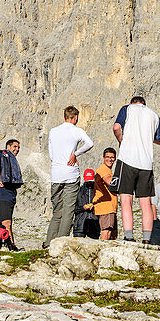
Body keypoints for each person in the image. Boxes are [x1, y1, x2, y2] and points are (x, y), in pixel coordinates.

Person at [112, 96, 160, 243]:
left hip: (127, 159)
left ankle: (129, 236)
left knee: (126, 199)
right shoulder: (153, 115)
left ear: (132, 102)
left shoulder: (127, 109)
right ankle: (146, 239)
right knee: (146, 203)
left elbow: (116, 127)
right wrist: (148, 138)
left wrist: (121, 140)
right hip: (146, 163)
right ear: (144, 104)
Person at [44, 105, 94, 246]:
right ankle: (60, 243)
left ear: (64, 116)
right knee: (68, 210)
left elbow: (51, 155)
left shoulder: (53, 131)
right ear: (75, 117)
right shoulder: (76, 131)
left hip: (56, 175)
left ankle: (49, 242)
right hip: (71, 174)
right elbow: (90, 143)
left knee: (57, 211)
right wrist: (75, 154)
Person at [0, 139, 22, 251]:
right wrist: (1, 178)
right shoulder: (1, 155)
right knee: (7, 222)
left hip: (7, 195)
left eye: (18, 148)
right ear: (8, 146)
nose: (17, 149)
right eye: (15, 147)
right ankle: (11, 246)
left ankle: (0, 245)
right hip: (1, 195)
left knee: (3, 222)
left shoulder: (10, 159)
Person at [93, 148, 119, 240]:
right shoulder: (104, 169)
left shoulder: (106, 169)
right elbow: (110, 182)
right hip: (106, 206)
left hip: (108, 206)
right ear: (103, 158)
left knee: (110, 232)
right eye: (107, 157)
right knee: (106, 231)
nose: (110, 159)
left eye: (112, 157)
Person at [72, 168, 100, 239]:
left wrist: (95, 207)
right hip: (80, 225)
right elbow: (73, 208)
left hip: (94, 224)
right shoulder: (78, 191)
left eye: (90, 181)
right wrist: (83, 208)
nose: (89, 183)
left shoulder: (98, 191)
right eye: (88, 181)